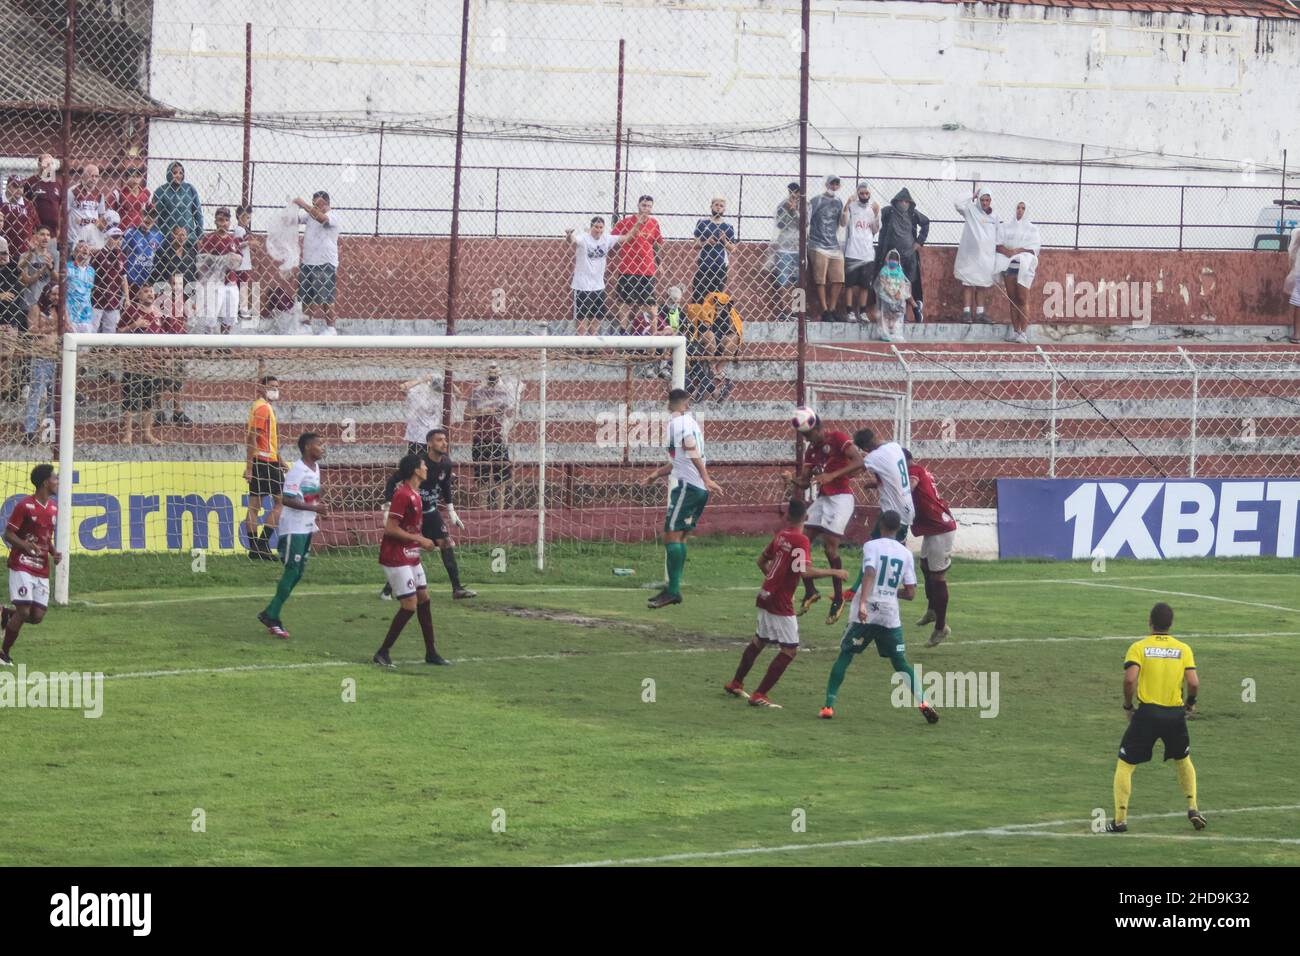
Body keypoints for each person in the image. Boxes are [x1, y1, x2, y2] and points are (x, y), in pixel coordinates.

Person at [724, 498, 848, 708]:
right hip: (779, 601)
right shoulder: (801, 540)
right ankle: (760, 693)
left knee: (759, 640)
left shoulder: (781, 536)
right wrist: (835, 571)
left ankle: (736, 682)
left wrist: (773, 582)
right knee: (790, 650)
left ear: (788, 517)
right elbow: (804, 570)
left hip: (765, 594)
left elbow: (761, 561)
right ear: (807, 518)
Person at [819, 509, 938, 724]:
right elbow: (911, 593)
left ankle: (828, 705)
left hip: (866, 612)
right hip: (889, 614)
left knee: (846, 655)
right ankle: (923, 702)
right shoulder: (905, 553)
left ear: (880, 524)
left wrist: (863, 602)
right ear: (898, 528)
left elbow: (870, 573)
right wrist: (892, 592)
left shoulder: (871, 546)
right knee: (900, 662)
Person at [1107, 603, 1206, 834]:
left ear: (1149, 622)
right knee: (1183, 760)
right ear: (1170, 624)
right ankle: (1193, 807)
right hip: (1174, 714)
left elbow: (1130, 680)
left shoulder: (1139, 647)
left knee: (1126, 764)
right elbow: (1193, 682)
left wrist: (1128, 706)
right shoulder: (1183, 649)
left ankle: (1120, 820)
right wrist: (1190, 704)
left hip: (1148, 714)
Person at [642, 388, 722, 609]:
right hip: (697, 489)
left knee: (670, 536)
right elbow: (682, 458)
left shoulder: (678, 424)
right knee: (681, 537)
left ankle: (674, 590)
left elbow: (690, 448)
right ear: (685, 403)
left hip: (690, 487)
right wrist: (655, 474)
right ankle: (673, 588)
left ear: (669, 404)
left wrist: (705, 477)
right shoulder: (690, 423)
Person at [781, 411, 864, 625]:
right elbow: (805, 482)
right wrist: (792, 480)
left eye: (809, 434)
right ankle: (811, 590)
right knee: (800, 541)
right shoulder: (812, 450)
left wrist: (832, 475)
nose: (807, 439)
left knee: (830, 548)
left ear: (818, 428)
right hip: (824, 498)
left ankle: (838, 598)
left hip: (841, 498)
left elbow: (859, 462)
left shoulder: (837, 438)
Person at [379, 428, 476, 602]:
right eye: (439, 440)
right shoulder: (418, 463)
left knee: (446, 544)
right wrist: (387, 504)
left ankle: (457, 589)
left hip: (431, 512)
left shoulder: (446, 464)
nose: (444, 443)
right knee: (408, 551)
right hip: (413, 514)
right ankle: (388, 589)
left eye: (445, 439)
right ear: (429, 443)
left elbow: (445, 486)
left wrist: (451, 509)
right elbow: (393, 480)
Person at [373, 453, 450, 668]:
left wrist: (433, 540)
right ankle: (383, 652)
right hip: (395, 556)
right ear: (416, 470)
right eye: (424, 465)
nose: (426, 467)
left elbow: (412, 527)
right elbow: (390, 528)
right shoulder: (403, 495)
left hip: (411, 555)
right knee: (409, 605)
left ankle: (431, 652)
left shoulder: (416, 495)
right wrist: (419, 539)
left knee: (424, 599)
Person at [258, 432, 331, 640]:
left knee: (298, 572)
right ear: (308, 447)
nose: (322, 447)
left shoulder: (315, 468)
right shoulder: (297, 470)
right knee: (292, 570)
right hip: (293, 528)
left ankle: (271, 613)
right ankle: (271, 615)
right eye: (319, 444)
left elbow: (308, 496)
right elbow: (287, 500)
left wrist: (316, 509)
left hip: (307, 526)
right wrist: (315, 508)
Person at [0, 463, 61, 666]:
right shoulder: (25, 505)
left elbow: (45, 538)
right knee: (24, 610)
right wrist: (24, 545)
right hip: (22, 564)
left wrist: (54, 553)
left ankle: (4, 614)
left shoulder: (53, 508)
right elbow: (8, 533)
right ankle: (3, 652)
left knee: (36, 616)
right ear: (45, 483)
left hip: (41, 568)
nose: (57, 481)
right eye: (55, 478)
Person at [904, 449, 957, 647]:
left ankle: (941, 627)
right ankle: (932, 610)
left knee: (937, 576)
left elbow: (910, 486)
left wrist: (896, 490)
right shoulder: (920, 469)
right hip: (933, 527)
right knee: (925, 566)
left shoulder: (914, 470)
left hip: (940, 528)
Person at [566, 214, 644, 336]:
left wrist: (638, 225)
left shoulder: (607, 239)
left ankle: (592, 344)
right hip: (582, 285)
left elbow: (627, 237)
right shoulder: (584, 238)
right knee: (582, 317)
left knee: (597, 316)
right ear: (591, 227)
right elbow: (573, 240)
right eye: (596, 227)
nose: (598, 230)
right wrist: (569, 235)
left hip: (598, 286)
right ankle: (581, 345)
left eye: (601, 227)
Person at [245, 375, 285, 561]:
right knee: (281, 503)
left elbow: (265, 440)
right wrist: (250, 467)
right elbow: (252, 438)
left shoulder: (260, 406)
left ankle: (255, 550)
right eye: (271, 387)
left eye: (277, 387)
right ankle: (261, 545)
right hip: (265, 462)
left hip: (268, 459)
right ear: (261, 388)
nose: (275, 390)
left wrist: (281, 460)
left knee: (255, 506)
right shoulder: (263, 408)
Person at [874, 188, 929, 323]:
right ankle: (896, 314)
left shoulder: (913, 214)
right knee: (892, 284)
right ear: (896, 201)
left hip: (909, 256)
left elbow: (926, 222)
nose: (904, 204)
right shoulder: (888, 212)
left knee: (907, 285)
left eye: (907, 201)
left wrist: (919, 242)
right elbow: (875, 220)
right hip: (892, 257)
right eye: (901, 201)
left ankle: (909, 311)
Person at [465, 363, 515, 510]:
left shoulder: (506, 392)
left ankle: (500, 510)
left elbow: (511, 414)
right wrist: (484, 412)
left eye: (495, 374)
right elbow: (466, 415)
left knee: (501, 477)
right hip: (481, 437)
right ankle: (483, 510)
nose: (493, 377)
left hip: (499, 437)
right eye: (490, 374)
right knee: (482, 477)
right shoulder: (477, 392)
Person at [118, 284, 163, 445]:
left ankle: (147, 433)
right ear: (138, 296)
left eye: (151, 291)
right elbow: (118, 331)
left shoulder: (158, 314)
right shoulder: (131, 311)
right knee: (130, 399)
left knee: (148, 400)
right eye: (145, 292)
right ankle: (128, 434)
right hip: (133, 363)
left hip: (150, 364)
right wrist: (134, 325)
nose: (150, 294)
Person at [610, 195, 662, 334]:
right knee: (625, 302)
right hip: (628, 268)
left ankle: (652, 332)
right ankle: (623, 330)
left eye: (649, 206)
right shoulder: (626, 222)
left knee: (650, 303)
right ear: (638, 205)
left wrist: (659, 263)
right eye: (644, 205)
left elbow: (656, 244)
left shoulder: (654, 223)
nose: (646, 208)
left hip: (647, 269)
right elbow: (613, 238)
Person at [854, 427, 915, 540]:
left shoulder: (874, 456)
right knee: (889, 547)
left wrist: (831, 475)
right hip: (906, 507)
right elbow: (893, 475)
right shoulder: (894, 446)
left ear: (866, 448)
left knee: (879, 548)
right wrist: (876, 484)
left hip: (894, 512)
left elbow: (854, 470)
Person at [995, 201, 1043, 344]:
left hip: (1024, 266)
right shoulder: (1006, 227)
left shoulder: (1032, 229)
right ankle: (1016, 332)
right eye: (1018, 207)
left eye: (1023, 208)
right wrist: (1009, 252)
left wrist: (1019, 250)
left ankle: (1024, 332)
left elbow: (1034, 249)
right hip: (1009, 266)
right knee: (1012, 299)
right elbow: (998, 245)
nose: (1020, 211)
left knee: (1022, 298)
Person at [294, 191, 341, 334]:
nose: (314, 207)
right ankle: (306, 326)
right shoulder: (309, 216)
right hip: (308, 262)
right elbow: (295, 220)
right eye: (313, 204)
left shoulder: (334, 216)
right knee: (306, 296)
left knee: (326, 297)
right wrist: (290, 209)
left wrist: (303, 204)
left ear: (326, 203)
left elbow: (322, 219)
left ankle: (331, 328)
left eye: (317, 204)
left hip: (325, 263)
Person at [21, 284, 59, 447]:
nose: (56, 297)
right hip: (40, 357)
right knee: (36, 394)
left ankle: (48, 433)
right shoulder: (36, 308)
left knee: (53, 396)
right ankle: (29, 432)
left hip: (55, 357)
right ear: (46, 293)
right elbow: (31, 330)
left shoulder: (58, 310)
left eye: (59, 295)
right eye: (53, 294)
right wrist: (50, 328)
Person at [954, 185, 998, 323]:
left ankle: (980, 313)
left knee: (982, 285)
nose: (985, 203)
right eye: (982, 199)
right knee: (968, 283)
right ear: (978, 199)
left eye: (987, 200)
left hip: (986, 258)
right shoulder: (970, 210)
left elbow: (998, 234)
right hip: (970, 257)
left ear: (990, 201)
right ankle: (966, 313)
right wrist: (971, 195)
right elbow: (957, 203)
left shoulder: (994, 216)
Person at [196, 207, 243, 333]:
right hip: (214, 282)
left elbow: (239, 260)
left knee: (229, 314)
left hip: (230, 281)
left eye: (226, 220)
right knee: (211, 315)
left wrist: (235, 260)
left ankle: (224, 342)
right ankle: (209, 344)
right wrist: (222, 259)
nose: (223, 223)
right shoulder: (209, 239)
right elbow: (203, 261)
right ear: (215, 221)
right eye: (220, 220)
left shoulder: (232, 240)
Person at [841, 182, 880, 323]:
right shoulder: (852, 206)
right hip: (852, 251)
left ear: (869, 194)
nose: (864, 196)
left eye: (866, 193)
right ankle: (849, 311)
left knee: (865, 285)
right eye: (862, 193)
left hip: (867, 253)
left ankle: (862, 311)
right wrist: (846, 205)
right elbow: (843, 222)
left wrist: (876, 214)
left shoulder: (872, 209)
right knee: (849, 284)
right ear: (857, 193)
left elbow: (875, 230)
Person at [808, 175, 845, 322]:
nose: (834, 186)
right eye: (832, 183)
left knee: (839, 278)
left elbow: (842, 223)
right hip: (817, 244)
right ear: (826, 184)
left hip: (833, 245)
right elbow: (806, 219)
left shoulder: (839, 202)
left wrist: (847, 208)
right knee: (820, 279)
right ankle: (824, 309)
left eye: (837, 184)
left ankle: (832, 308)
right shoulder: (816, 200)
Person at [151, 162, 202, 256]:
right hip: (167, 240)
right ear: (169, 174)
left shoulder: (190, 189)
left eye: (181, 173)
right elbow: (154, 217)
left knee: (188, 265)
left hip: (188, 239)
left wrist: (200, 236)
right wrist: (155, 237)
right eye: (175, 173)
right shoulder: (160, 191)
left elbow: (198, 214)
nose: (178, 176)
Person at [691, 197, 736, 304]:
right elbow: (695, 245)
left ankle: (712, 320)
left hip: (720, 266)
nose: (718, 208)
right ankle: (697, 319)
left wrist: (724, 241)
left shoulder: (728, 227)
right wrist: (706, 242)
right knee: (698, 294)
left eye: (721, 206)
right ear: (711, 206)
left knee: (716, 297)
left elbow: (733, 249)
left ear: (724, 209)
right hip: (704, 264)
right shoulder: (702, 223)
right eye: (716, 205)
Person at [767, 182, 802, 321]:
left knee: (799, 281)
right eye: (792, 192)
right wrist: (787, 209)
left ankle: (798, 311)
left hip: (799, 248)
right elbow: (779, 224)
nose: (795, 194)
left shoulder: (806, 206)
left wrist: (795, 211)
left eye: (797, 192)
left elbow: (805, 224)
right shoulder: (782, 205)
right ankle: (784, 310)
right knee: (783, 280)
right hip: (784, 247)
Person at [90, 226, 128, 333]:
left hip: (113, 299)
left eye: (120, 239)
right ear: (107, 238)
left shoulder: (121, 256)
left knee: (110, 328)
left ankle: (105, 349)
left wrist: (127, 297)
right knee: (93, 326)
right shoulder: (99, 255)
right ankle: (86, 349)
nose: (119, 241)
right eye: (115, 238)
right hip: (97, 298)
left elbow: (123, 278)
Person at [873, 248, 914, 343]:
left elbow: (902, 282)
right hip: (886, 297)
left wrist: (899, 292)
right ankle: (884, 333)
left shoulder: (899, 270)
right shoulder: (884, 270)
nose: (893, 261)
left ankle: (895, 333)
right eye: (891, 259)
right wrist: (890, 292)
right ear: (887, 260)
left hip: (897, 297)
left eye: (895, 260)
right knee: (885, 315)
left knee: (896, 315)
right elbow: (882, 282)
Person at [17, 226, 57, 320]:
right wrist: (42, 269)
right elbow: (25, 280)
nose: (46, 237)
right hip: (28, 304)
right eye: (42, 234)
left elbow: (58, 279)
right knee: (28, 334)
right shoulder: (25, 256)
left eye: (48, 235)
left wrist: (51, 268)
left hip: (48, 306)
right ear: (35, 236)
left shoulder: (55, 256)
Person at [0, 238, 23, 399]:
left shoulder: (12, 268)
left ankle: (5, 389)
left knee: (7, 356)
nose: (3, 256)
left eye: (5, 253)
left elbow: (23, 266)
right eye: (0, 253)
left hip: (11, 319)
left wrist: (33, 252)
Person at [66, 163, 107, 251]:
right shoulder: (73, 191)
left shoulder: (99, 194)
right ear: (84, 176)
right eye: (91, 176)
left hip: (92, 240)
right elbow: (63, 213)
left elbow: (101, 216)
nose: (94, 179)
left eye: (96, 176)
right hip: (75, 238)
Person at [400, 372, 442, 457]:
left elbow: (458, 393)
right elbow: (403, 387)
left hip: (433, 436)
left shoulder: (441, 395)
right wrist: (423, 379)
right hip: (417, 436)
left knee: (432, 464)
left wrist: (446, 381)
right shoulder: (418, 391)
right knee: (415, 463)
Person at [21, 153, 63, 238]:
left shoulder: (57, 184)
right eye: (46, 163)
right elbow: (24, 204)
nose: (49, 166)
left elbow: (60, 207)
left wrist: (59, 229)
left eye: (51, 163)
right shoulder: (31, 182)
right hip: (36, 230)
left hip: (53, 232)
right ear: (39, 165)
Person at [123, 205, 164, 290]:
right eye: (146, 214)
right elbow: (121, 252)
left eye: (152, 215)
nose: (149, 217)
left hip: (148, 282)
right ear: (141, 215)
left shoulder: (158, 235)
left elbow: (160, 258)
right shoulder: (131, 232)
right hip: (131, 281)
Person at [2, 177, 38, 262]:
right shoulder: (1, 203)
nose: (19, 189)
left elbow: (37, 226)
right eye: (15, 186)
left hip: (23, 253)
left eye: (21, 187)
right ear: (8, 186)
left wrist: (33, 242)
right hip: (3, 253)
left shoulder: (28, 204)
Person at [65, 240, 96, 334]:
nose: (85, 248)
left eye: (87, 247)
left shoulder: (91, 271)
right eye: (81, 246)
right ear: (74, 252)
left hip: (87, 316)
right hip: (71, 315)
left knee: (85, 347)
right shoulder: (67, 267)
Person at [234, 205, 254, 321]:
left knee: (242, 286)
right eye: (246, 217)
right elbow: (237, 244)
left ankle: (241, 308)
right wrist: (250, 243)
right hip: (241, 265)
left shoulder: (242, 230)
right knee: (243, 286)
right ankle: (243, 310)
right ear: (238, 216)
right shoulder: (239, 230)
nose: (248, 220)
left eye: (249, 218)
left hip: (243, 264)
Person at [1285, 225, 1299, 345]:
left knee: (1298, 302)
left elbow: (1292, 251)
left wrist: (1291, 268)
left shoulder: (1297, 232)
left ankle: (1297, 334)